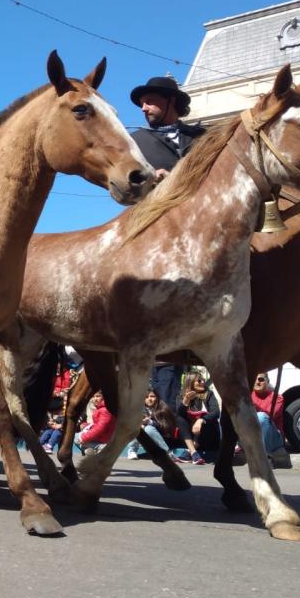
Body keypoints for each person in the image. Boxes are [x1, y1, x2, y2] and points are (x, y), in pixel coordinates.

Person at [129, 76, 206, 411]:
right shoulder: (135, 141)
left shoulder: (202, 137)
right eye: (142, 102)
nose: (144, 107)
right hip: (156, 224)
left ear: (170, 101)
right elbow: (123, 188)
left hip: (205, 225)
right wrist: (150, 180)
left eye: (150, 101)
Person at [174, 371, 220, 464]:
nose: (202, 382)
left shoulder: (209, 394)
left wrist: (201, 420)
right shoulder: (182, 396)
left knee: (205, 419)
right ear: (190, 383)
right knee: (180, 418)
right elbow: (180, 413)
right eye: (199, 380)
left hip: (207, 434)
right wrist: (186, 400)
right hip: (189, 436)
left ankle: (189, 452)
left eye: (203, 380)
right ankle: (194, 452)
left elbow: (216, 412)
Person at [248, 373, 290, 468]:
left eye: (261, 379)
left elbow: (270, 415)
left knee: (261, 417)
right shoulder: (248, 396)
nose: (257, 382)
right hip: (253, 435)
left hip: (273, 438)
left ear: (267, 382)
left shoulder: (277, 398)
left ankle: (265, 456)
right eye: (255, 379)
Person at [126, 389, 177, 459]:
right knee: (138, 427)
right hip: (147, 440)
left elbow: (167, 427)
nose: (149, 399)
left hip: (163, 439)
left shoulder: (163, 409)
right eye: (146, 397)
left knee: (148, 428)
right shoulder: (139, 409)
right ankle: (132, 451)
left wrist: (150, 422)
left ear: (157, 397)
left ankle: (167, 452)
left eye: (152, 396)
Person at [76, 391, 115, 455]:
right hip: (101, 436)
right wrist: (87, 425)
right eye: (93, 396)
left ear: (104, 397)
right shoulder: (101, 408)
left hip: (103, 438)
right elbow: (98, 424)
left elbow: (100, 428)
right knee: (80, 439)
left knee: (76, 438)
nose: (95, 399)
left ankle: (100, 447)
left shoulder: (105, 410)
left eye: (98, 396)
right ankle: (92, 450)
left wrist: (84, 438)